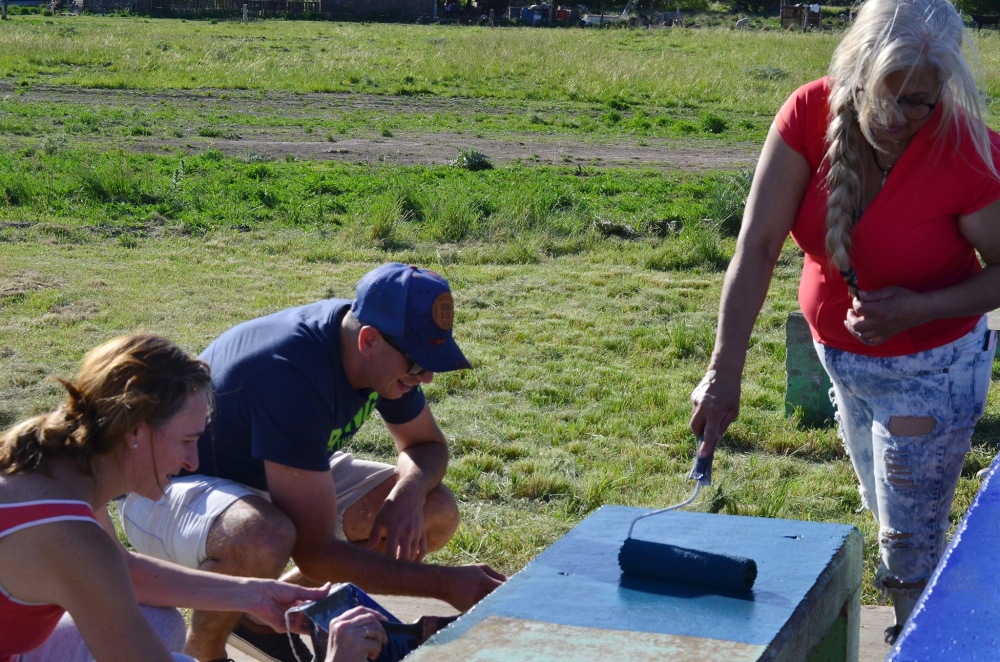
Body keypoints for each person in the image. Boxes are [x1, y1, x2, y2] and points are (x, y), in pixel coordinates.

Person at [689, 0, 1000, 646]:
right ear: (857, 73)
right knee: (891, 515)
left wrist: (920, 308)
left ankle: (926, 643)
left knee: (908, 547)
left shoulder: (965, 149)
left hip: (934, 371)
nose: (906, 118)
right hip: (846, 369)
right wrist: (724, 369)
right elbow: (757, 247)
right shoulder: (808, 115)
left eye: (924, 100)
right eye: (892, 97)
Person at [120, 263, 506, 662]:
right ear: (369, 341)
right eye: (417, 363)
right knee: (264, 535)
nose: (425, 376)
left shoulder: (377, 344)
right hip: (165, 487)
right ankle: (205, 650)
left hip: (273, 474)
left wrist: (408, 491)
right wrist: (444, 584)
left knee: (434, 509)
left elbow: (426, 446)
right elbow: (314, 551)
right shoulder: (292, 373)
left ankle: (261, 614)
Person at [0, 334, 337, 662]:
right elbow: (99, 569)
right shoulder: (72, 540)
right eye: (186, 441)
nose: (193, 461)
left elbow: (124, 573)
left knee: (158, 622)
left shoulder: (54, 469)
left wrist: (255, 594)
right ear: (136, 431)